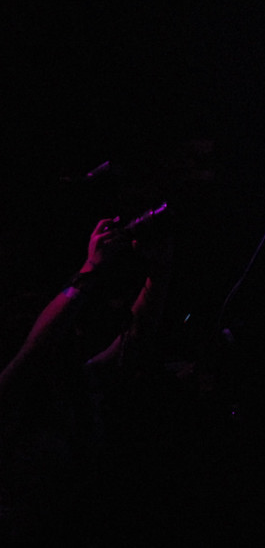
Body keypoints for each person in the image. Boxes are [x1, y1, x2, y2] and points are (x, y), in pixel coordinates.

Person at [0, 212, 174, 542]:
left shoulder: (77, 386)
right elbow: (34, 353)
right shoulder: (11, 396)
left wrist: (158, 271)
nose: (75, 333)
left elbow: (132, 341)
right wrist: (91, 269)